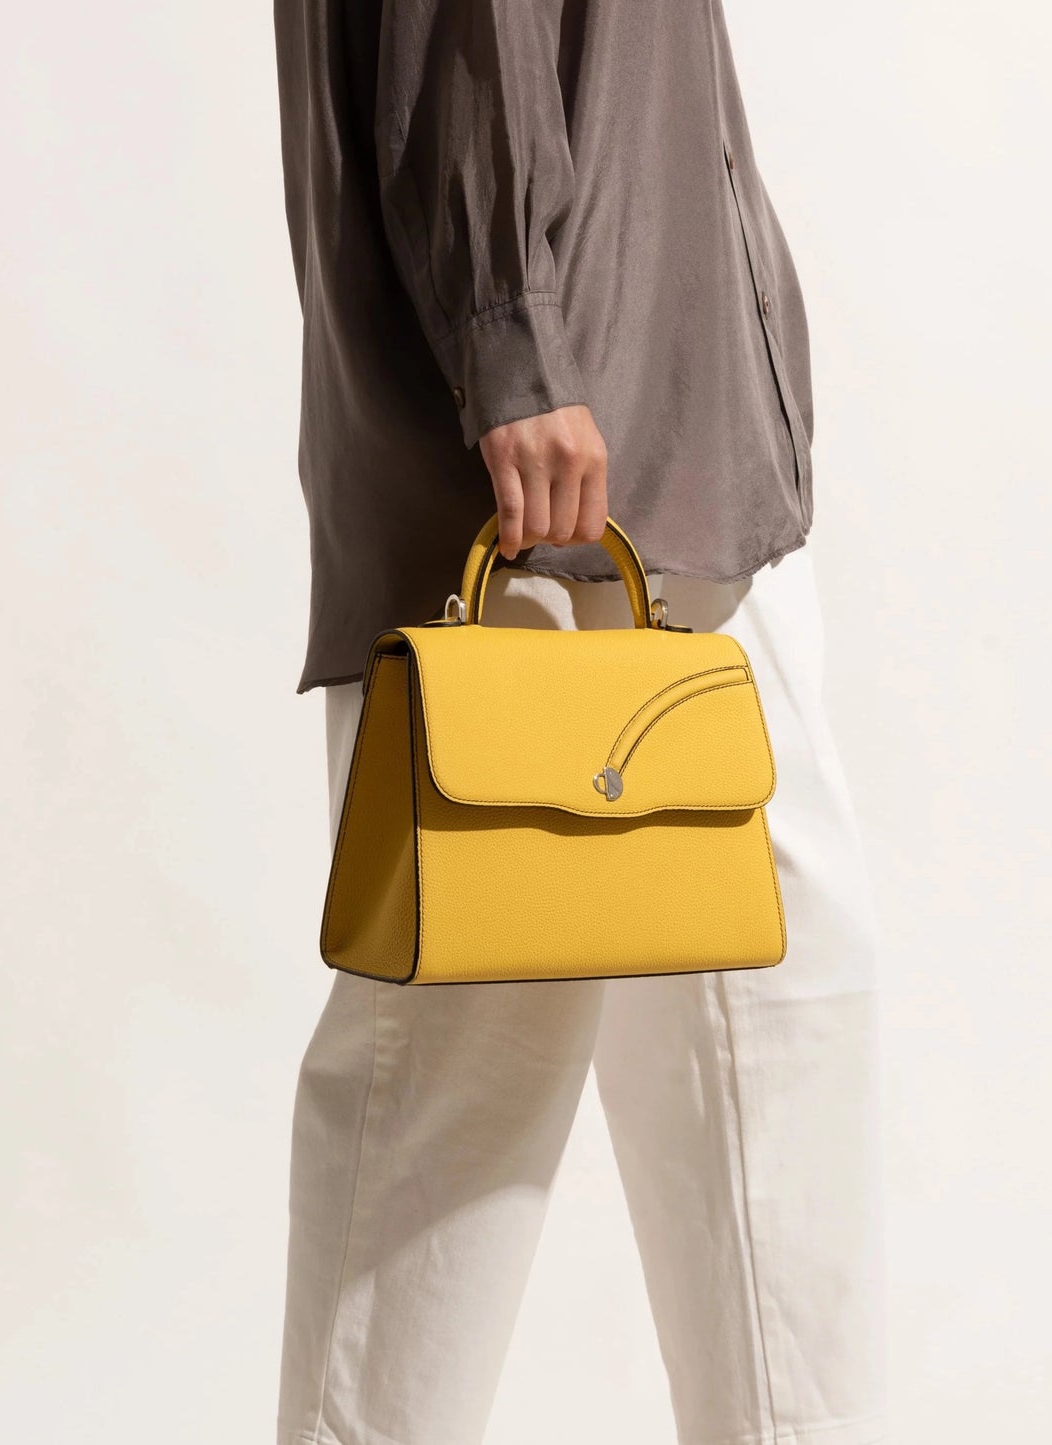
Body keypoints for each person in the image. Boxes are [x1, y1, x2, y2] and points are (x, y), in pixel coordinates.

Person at [270, 2, 891, 1442]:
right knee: (459, 1047)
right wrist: (512, 336)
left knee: (777, 998)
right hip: (533, 448)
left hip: (686, 435)